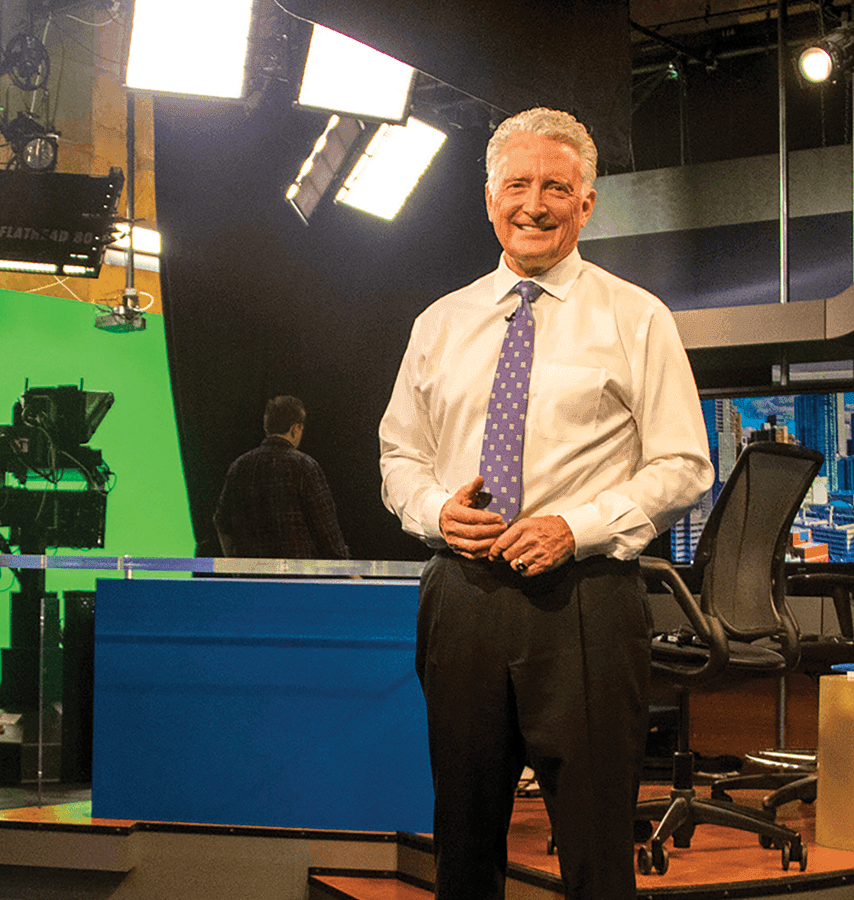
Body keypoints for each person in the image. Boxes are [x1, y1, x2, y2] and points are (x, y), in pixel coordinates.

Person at [378, 108, 712, 900]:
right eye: (517, 185)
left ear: (586, 204)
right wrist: (432, 511)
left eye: (555, 187)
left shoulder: (637, 317)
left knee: (597, 849)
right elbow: (400, 456)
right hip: (461, 597)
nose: (534, 203)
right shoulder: (440, 322)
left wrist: (577, 527)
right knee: (462, 837)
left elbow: (685, 463)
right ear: (489, 198)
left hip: (587, 603)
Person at [213, 395, 350, 560]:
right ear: (295, 429)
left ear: (267, 426)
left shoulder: (238, 467)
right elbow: (327, 529)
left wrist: (234, 565)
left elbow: (222, 523)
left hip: (251, 580)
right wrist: (350, 572)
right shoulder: (304, 466)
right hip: (297, 579)